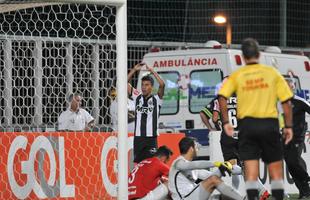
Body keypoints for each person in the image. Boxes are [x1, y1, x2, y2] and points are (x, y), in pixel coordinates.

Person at [218, 38, 294, 200]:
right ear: (259, 55)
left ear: (243, 57)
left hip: (247, 126)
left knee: (250, 170)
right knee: (275, 168)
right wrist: (288, 126)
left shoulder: (238, 75)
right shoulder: (271, 73)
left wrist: (225, 122)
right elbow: (286, 102)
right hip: (269, 124)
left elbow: (222, 97)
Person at [168, 136, 245, 200]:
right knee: (213, 180)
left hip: (191, 196)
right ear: (191, 148)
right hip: (184, 198)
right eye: (196, 146)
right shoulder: (178, 163)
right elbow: (194, 165)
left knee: (224, 197)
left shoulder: (193, 169)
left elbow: (212, 175)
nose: (198, 148)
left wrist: (238, 170)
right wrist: (215, 163)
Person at [128, 63, 165, 163]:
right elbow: (123, 83)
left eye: (147, 85)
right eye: (142, 85)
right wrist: (134, 70)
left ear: (152, 87)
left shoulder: (157, 99)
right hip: (139, 138)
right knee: (138, 165)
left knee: (152, 164)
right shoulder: (137, 96)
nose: (144, 87)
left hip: (151, 139)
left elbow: (162, 84)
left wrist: (152, 71)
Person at [283, 79, 310, 199]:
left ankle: (306, 180)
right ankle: (303, 191)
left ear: (292, 88)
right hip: (284, 138)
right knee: (290, 164)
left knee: (294, 161)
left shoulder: (300, 101)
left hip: (297, 137)